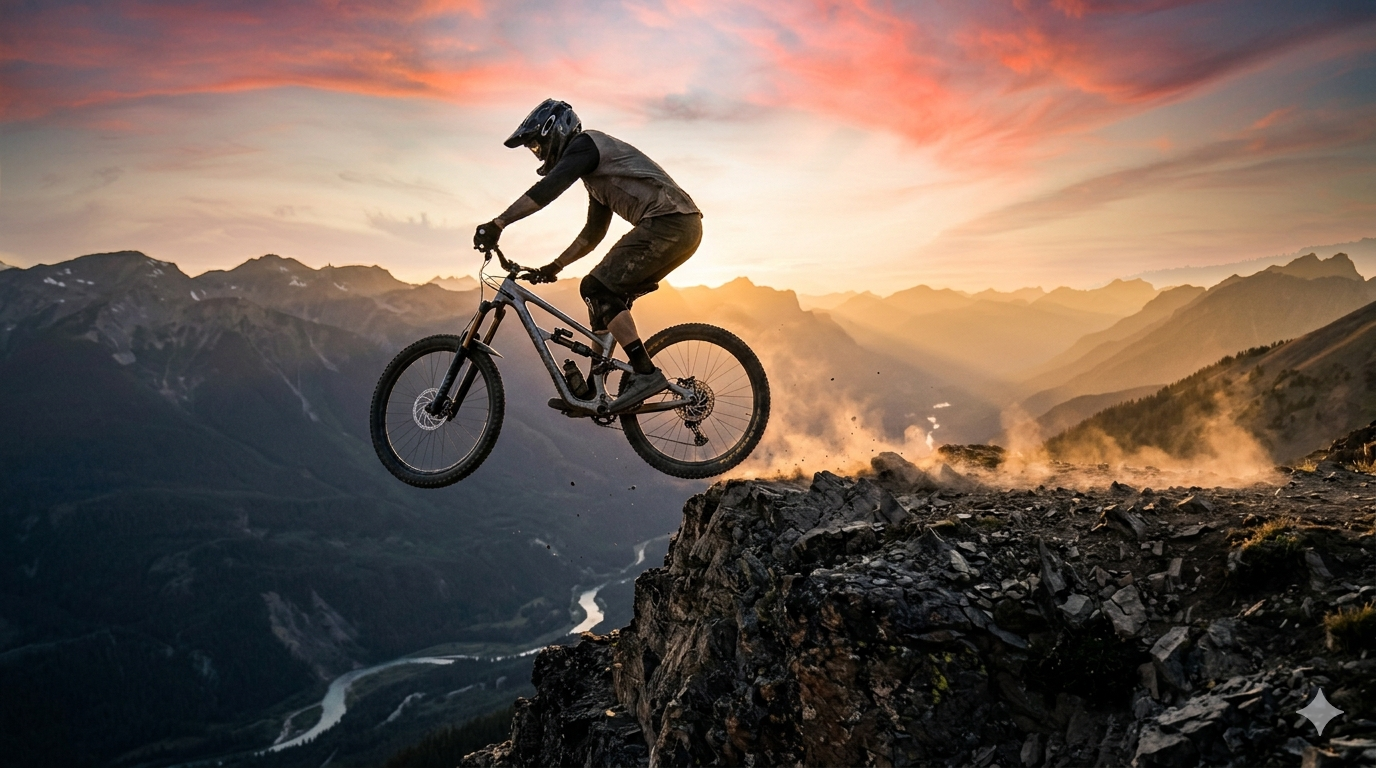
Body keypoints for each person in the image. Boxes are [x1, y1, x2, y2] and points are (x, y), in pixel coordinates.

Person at [473, 99, 702, 413]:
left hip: (670, 224)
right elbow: (593, 234)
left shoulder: (586, 145)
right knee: (600, 302)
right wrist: (555, 266)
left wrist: (498, 223)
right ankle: (595, 391)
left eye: (537, 145)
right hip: (679, 228)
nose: (537, 153)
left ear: (556, 131)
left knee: (595, 287)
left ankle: (646, 374)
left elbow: (548, 189)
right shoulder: (596, 173)